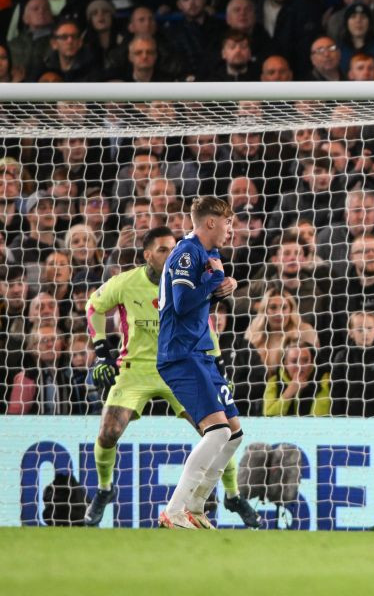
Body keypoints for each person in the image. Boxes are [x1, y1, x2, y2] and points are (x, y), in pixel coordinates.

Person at [80, 227, 258, 528]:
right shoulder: (124, 284)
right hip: (136, 368)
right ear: (148, 254)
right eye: (163, 249)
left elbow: (202, 321)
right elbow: (93, 307)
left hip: (181, 364)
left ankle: (232, 494)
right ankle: (105, 489)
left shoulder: (185, 280)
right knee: (108, 432)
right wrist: (101, 350)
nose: (171, 253)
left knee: (217, 431)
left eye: (173, 248)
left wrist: (216, 362)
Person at [155, 197, 243, 530]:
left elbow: (207, 293)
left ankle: (195, 507)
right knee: (218, 430)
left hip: (200, 352)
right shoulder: (187, 253)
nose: (231, 230)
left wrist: (225, 286)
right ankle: (174, 510)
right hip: (179, 354)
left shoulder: (209, 254)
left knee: (234, 434)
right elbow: (181, 303)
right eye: (228, 223)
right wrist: (212, 282)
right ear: (210, 223)